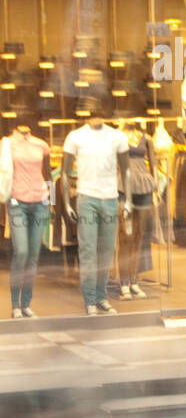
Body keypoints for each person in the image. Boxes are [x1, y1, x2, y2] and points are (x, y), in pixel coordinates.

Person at [62, 107, 130, 315]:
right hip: (87, 198)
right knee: (88, 250)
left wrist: (128, 200)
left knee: (107, 251)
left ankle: (101, 297)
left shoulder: (116, 136)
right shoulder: (76, 137)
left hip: (110, 198)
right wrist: (65, 203)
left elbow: (126, 169)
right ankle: (90, 299)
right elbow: (64, 173)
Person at [3, 120, 52, 318]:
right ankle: (15, 304)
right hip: (17, 202)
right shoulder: (6, 144)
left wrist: (53, 202)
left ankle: (26, 304)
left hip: (40, 202)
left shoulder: (41, 144)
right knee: (21, 252)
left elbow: (48, 174)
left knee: (33, 255)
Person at [115, 119, 156, 299]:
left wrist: (156, 188)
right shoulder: (116, 136)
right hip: (123, 187)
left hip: (144, 185)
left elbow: (153, 164)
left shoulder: (145, 138)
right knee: (125, 236)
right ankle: (123, 282)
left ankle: (134, 280)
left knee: (139, 237)